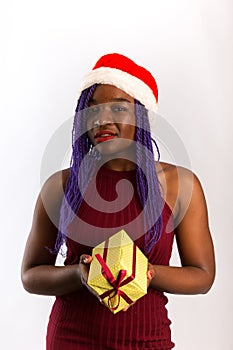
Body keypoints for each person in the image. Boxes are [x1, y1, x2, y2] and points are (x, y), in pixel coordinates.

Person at [21, 53, 215, 350]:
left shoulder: (179, 185)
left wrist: (145, 273)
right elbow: (30, 274)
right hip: (71, 338)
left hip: (147, 341)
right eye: (92, 110)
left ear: (141, 117)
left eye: (117, 108)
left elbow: (202, 276)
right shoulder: (60, 186)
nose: (101, 120)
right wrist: (79, 274)